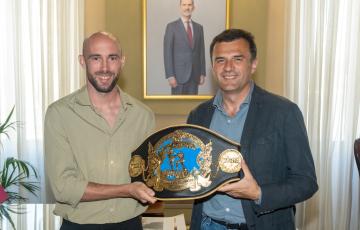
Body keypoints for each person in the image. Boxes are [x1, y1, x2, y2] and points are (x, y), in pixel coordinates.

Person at [187, 29, 318, 230]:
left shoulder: (284, 112)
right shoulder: (198, 115)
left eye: (237, 59)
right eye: (220, 60)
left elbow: (306, 182)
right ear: (213, 67)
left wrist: (259, 193)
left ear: (253, 64)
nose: (228, 67)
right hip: (207, 225)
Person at [44, 31, 157, 230]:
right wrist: (127, 190)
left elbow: (150, 176)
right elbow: (63, 188)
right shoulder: (59, 114)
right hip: (79, 226)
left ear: (122, 61)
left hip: (131, 225)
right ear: (82, 61)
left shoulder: (143, 115)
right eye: (96, 58)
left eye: (112, 58)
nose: (105, 67)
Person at [163, 0, 206, 95]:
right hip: (178, 76)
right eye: (184, 5)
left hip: (195, 75)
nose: (187, 7)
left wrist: (202, 73)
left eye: (190, 5)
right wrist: (170, 75)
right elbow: (167, 53)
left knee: (193, 107)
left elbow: (201, 51)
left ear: (193, 7)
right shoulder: (171, 27)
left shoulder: (199, 28)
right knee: (177, 106)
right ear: (180, 7)